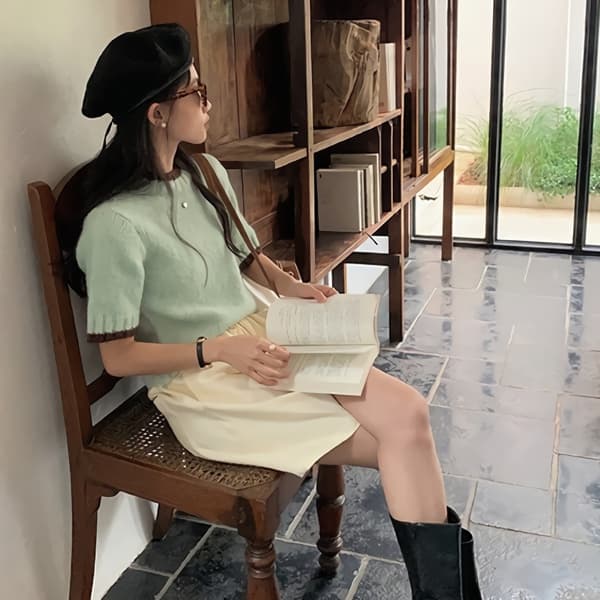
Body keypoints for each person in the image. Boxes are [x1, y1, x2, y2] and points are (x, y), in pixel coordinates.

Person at [66, 23, 482, 599]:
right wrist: (218, 349)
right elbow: (117, 357)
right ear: (158, 114)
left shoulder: (204, 173)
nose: (208, 102)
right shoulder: (113, 225)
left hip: (266, 340)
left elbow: (245, 254)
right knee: (402, 438)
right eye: (196, 91)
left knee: (408, 414)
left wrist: (291, 286)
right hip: (206, 384)